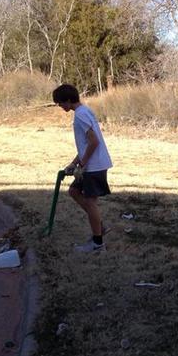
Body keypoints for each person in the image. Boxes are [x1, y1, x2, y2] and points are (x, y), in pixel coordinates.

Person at [53, 83, 113, 252]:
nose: (60, 106)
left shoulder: (80, 115)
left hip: (94, 166)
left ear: (68, 100)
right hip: (92, 164)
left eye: (60, 103)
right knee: (74, 191)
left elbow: (94, 142)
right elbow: (86, 144)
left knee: (90, 203)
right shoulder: (83, 112)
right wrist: (74, 163)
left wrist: (83, 164)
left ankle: (97, 243)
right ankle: (99, 227)